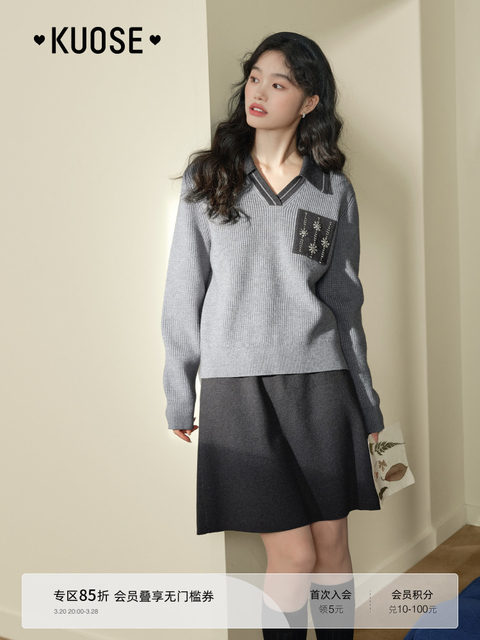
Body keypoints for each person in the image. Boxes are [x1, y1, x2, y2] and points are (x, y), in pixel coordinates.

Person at [161, 31, 385, 640]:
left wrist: (368, 403)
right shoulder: (209, 177)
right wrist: (180, 390)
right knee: (294, 556)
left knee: (332, 549)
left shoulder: (332, 190)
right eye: (255, 77)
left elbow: (344, 302)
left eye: (278, 83)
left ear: (309, 102)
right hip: (240, 391)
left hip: (324, 385)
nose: (258, 92)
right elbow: (184, 290)